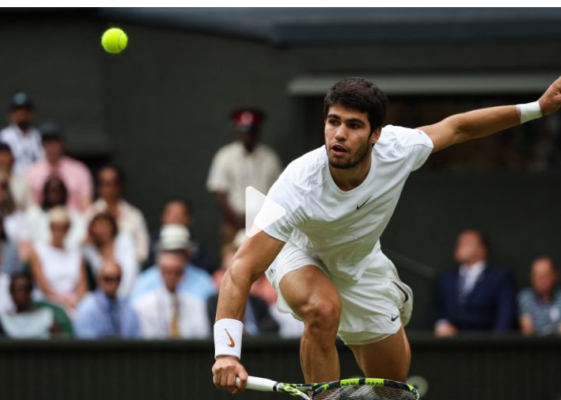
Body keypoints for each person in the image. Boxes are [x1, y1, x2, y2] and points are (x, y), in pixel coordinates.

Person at [212, 75, 561, 393]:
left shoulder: (399, 148)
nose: (339, 134)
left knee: (393, 388)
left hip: (359, 263)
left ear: (375, 134)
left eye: (353, 125)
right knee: (323, 308)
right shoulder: (296, 185)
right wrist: (226, 353)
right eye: (333, 122)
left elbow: (457, 128)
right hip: (298, 249)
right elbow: (240, 270)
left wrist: (538, 107)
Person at [207, 108, 282, 246]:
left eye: (251, 131)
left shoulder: (270, 157)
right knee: (231, 261)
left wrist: (262, 218)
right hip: (233, 222)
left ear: (258, 131)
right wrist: (237, 219)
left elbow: (278, 191)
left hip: (264, 223)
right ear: (236, 131)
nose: (247, 135)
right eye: (243, 130)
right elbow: (218, 192)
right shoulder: (225, 156)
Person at [435, 230, 516, 337]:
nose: (460, 246)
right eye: (459, 242)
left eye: (467, 243)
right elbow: (436, 311)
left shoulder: (500, 277)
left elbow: (505, 315)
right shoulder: (445, 279)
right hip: (449, 345)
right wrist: (442, 325)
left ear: (481, 250)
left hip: (485, 345)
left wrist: (496, 345)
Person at [133, 250, 209, 339]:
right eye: (168, 271)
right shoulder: (144, 304)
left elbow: (202, 335)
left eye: (177, 272)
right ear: (160, 272)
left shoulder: (196, 304)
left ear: (183, 274)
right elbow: (146, 337)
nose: (172, 276)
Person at [131, 224, 216, 303]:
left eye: (178, 251)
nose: (173, 257)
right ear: (160, 252)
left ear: (187, 253)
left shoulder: (204, 281)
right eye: (169, 250)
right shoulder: (144, 282)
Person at [208, 247, 279, 336]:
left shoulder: (257, 301)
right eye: (226, 270)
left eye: (237, 270)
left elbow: (274, 326)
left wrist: (253, 330)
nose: (232, 275)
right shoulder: (214, 302)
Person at [24, 121, 93, 213]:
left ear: (62, 143)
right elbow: (30, 209)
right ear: (42, 145)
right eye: (47, 142)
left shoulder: (80, 170)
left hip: (73, 222)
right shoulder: (31, 173)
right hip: (41, 223)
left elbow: (87, 208)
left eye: (55, 141)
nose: (51, 146)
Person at [85, 165, 149, 264]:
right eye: (103, 183)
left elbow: (142, 252)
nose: (108, 188)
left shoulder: (134, 215)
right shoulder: (90, 214)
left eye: (112, 183)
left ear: (120, 185)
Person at [29, 207, 88, 313]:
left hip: (74, 302)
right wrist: (63, 301)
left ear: (68, 229)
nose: (60, 231)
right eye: (56, 227)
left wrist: (76, 301)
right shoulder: (38, 250)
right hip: (48, 301)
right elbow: (45, 288)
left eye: (64, 227)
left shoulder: (76, 252)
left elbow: (82, 286)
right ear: (50, 227)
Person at [74, 261, 141, 339]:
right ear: (98, 280)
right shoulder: (86, 308)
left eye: (117, 278)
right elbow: (86, 344)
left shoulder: (128, 309)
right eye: (108, 279)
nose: (113, 283)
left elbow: (137, 339)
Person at [82, 212, 138, 299]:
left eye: (106, 225)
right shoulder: (90, 250)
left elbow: (130, 274)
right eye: (97, 225)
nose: (102, 229)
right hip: (103, 300)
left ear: (113, 226)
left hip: (128, 296)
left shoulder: (124, 240)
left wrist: (120, 298)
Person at [149, 199, 213, 273]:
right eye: (171, 213)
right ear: (163, 217)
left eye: (181, 214)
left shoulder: (198, 244)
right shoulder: (153, 241)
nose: (175, 217)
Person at [24, 176, 87, 247]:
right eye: (51, 191)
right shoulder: (33, 214)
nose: (54, 195)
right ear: (45, 193)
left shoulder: (75, 217)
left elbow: (79, 240)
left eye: (58, 191)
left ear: (64, 193)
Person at [0, 273, 59, 338]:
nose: (22, 294)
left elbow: (58, 342)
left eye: (26, 289)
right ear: (11, 292)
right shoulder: (4, 319)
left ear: (31, 292)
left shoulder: (46, 316)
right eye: (18, 290)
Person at [0, 93, 44, 175]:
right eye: (17, 110)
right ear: (11, 114)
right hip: (13, 180)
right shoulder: (4, 136)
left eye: (25, 109)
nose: (22, 113)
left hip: (36, 180)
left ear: (31, 113)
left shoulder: (39, 136)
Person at [518, 257, 561, 335]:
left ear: (555, 276)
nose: (541, 279)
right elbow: (527, 331)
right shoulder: (526, 297)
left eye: (545, 275)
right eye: (537, 275)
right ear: (532, 278)